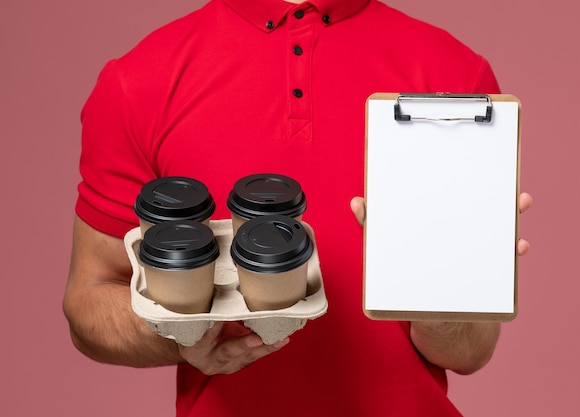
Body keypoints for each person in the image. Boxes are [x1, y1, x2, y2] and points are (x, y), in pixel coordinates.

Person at [63, 0, 532, 415]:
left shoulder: (454, 74)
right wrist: (182, 334)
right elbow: (88, 306)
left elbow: (470, 351)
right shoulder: (138, 80)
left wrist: (437, 283)